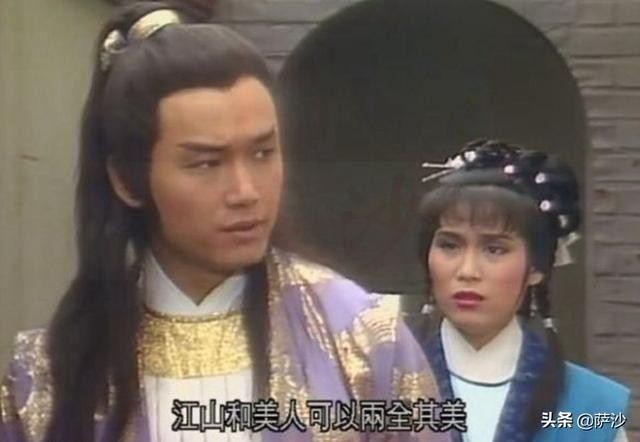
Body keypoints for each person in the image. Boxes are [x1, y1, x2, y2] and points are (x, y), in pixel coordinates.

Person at [0, 3, 448, 442]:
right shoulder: (49, 378)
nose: (246, 191)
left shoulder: (364, 339)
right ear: (127, 180)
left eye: (262, 153)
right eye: (206, 163)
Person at [417, 139, 630, 442]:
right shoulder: (377, 383)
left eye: (494, 249)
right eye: (450, 246)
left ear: (536, 268)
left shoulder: (591, 405)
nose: (467, 270)